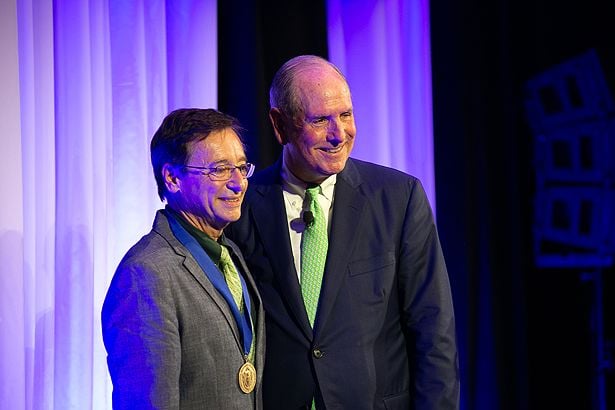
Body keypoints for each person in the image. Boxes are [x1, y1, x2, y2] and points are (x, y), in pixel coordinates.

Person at [226, 55, 459, 409]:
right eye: (320, 120)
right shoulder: (242, 207)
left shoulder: (398, 198)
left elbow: (433, 329)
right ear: (280, 124)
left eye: (346, 115)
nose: (339, 135)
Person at [102, 108, 265, 409]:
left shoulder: (230, 253)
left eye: (241, 168)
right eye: (219, 170)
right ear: (172, 178)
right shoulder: (146, 274)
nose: (238, 183)